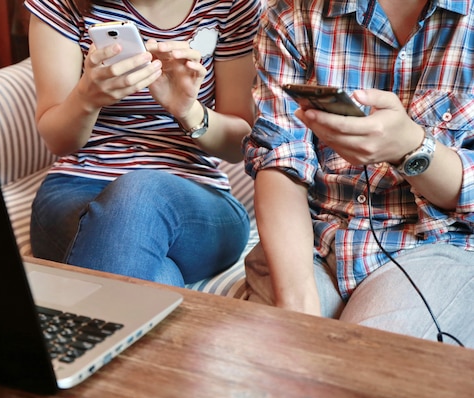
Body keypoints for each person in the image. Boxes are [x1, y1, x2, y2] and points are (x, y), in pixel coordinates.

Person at [243, 0, 474, 347]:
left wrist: (410, 148)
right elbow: (280, 160)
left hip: (436, 246)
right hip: (308, 244)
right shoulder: (292, 15)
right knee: (264, 367)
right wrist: (296, 304)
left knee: (363, 369)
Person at [23, 0, 262, 286]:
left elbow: (239, 145)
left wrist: (188, 111)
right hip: (76, 190)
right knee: (161, 278)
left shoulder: (233, 5)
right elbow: (58, 141)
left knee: (140, 191)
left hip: (197, 200)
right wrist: (87, 98)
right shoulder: (62, 5)